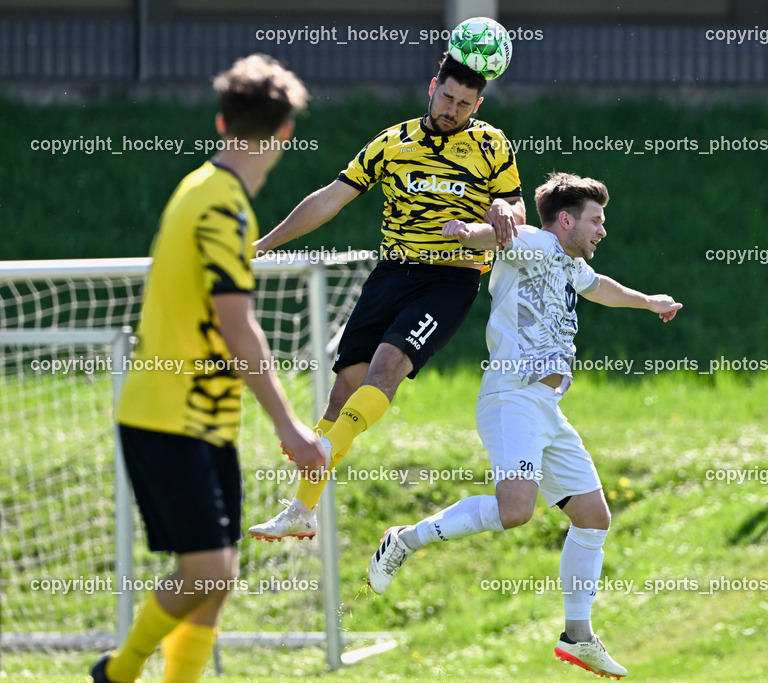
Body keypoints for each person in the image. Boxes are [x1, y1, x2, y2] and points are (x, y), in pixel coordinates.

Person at [365, 172, 681, 679]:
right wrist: (470, 235)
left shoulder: (570, 264)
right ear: (564, 219)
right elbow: (499, 233)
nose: (602, 230)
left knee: (594, 517)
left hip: (548, 408)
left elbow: (600, 287)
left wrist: (649, 302)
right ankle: (404, 539)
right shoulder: (531, 241)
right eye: (595, 221)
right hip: (511, 398)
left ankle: (578, 636)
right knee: (517, 512)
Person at [91, 54, 324, 683]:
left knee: (214, 580)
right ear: (284, 133)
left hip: (201, 420)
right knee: (211, 571)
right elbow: (235, 322)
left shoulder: (201, 188)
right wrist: (289, 425)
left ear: (223, 122)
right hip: (169, 417)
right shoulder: (223, 206)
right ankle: (119, 671)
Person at [248, 53, 525, 541]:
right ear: (432, 86)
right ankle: (301, 510)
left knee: (387, 366)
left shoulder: (491, 145)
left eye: (465, 104)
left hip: (449, 279)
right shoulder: (392, 143)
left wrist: (500, 209)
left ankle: (330, 447)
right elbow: (330, 198)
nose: (452, 110)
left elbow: (515, 213)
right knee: (343, 391)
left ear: (477, 105)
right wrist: (264, 244)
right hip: (391, 274)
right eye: (447, 97)